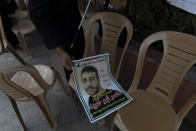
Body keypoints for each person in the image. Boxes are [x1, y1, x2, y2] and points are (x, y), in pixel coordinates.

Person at [28, 0, 85, 80]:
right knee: (71, 66)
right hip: (63, 31)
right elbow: (38, 15)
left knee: (79, 56)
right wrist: (60, 50)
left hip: (74, 19)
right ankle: (75, 87)